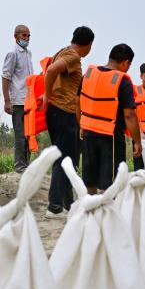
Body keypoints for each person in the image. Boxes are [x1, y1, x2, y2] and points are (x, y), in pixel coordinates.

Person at [43, 26, 94, 218]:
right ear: (88, 45)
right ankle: (54, 207)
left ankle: (67, 205)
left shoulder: (62, 51)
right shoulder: (73, 56)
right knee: (64, 159)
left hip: (58, 113)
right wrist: (47, 96)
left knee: (68, 160)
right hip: (64, 112)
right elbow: (51, 71)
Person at [79, 44, 142, 194]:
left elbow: (78, 102)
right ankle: (109, 213)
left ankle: (92, 211)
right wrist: (137, 141)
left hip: (88, 132)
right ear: (125, 62)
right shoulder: (122, 81)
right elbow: (129, 115)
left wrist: (81, 125)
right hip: (111, 135)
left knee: (90, 178)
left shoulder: (89, 75)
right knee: (112, 181)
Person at [1, 24, 33, 173]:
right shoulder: (12, 53)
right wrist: (7, 100)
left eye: (28, 36)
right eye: (23, 35)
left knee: (29, 135)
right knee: (20, 135)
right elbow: (6, 76)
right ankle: (19, 167)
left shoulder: (28, 54)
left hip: (29, 101)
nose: (26, 38)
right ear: (16, 36)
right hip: (18, 101)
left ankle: (26, 165)